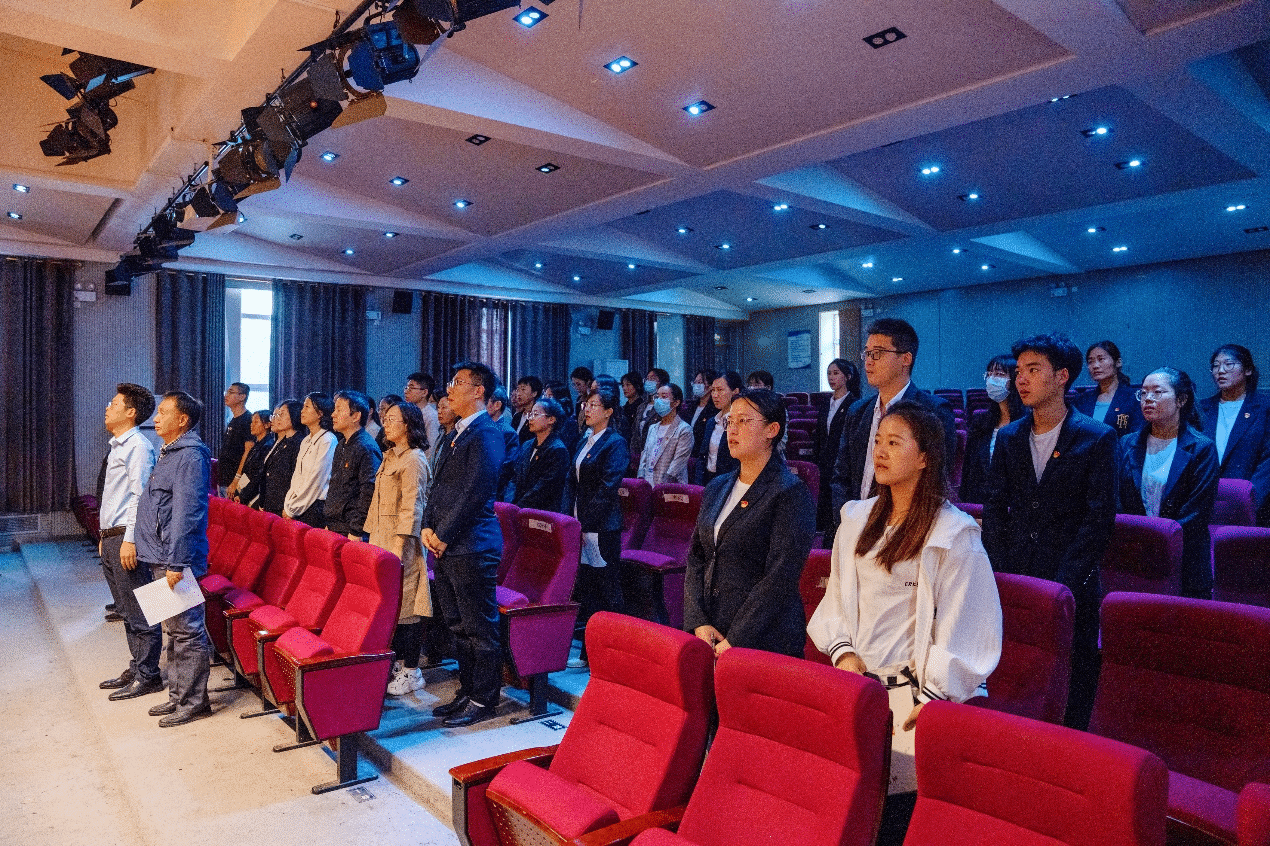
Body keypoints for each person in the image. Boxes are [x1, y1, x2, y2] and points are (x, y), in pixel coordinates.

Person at [809, 402, 1001, 736]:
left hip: (914, 696)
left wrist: (933, 696)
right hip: (855, 683)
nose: (880, 451)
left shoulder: (953, 533)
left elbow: (966, 622)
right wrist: (843, 653)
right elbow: (836, 597)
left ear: (924, 458)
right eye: (878, 441)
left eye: (894, 443)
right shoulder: (856, 519)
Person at [982, 332, 1116, 730]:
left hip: (1071, 580)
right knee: (1021, 677)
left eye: (1033, 370)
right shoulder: (1010, 436)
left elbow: (1099, 520)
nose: (1020, 379)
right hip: (1016, 574)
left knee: (1070, 680)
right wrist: (1002, 569)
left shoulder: (1096, 437)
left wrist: (1064, 581)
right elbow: (995, 506)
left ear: (1062, 376)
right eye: (1019, 371)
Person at [684, 388, 816, 658]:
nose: (732, 429)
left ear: (772, 430)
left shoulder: (790, 492)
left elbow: (779, 577)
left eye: (743, 421)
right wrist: (699, 621)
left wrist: (736, 639)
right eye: (729, 421)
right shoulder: (717, 486)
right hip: (712, 631)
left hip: (764, 639)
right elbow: (698, 557)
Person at [421, 362, 506, 727]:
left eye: (457, 383)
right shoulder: (456, 433)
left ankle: (484, 698)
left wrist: (442, 534)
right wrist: (428, 526)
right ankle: (467, 689)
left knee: (479, 627)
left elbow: (475, 493)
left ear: (478, 391)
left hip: (472, 545)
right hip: (448, 544)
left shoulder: (486, 433)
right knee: (457, 625)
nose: (449, 389)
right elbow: (438, 488)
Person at [830, 318, 957, 540]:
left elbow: (935, 480)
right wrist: (848, 522)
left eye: (877, 353)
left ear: (905, 359)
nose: (869, 361)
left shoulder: (932, 411)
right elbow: (841, 477)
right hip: (854, 528)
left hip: (906, 532)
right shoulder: (857, 411)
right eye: (867, 353)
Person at [134, 390, 214, 727]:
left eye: (163, 412)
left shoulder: (190, 456)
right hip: (161, 554)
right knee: (174, 631)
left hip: (174, 558)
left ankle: (194, 702)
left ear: (182, 420)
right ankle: (179, 696)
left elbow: (187, 514)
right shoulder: (171, 452)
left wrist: (177, 563)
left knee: (187, 633)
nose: (156, 418)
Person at [1116, 368, 1219, 599]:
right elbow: (1118, 499)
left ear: (1181, 400)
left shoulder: (1201, 448)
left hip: (1183, 558)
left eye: (1157, 392)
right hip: (1134, 555)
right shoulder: (1127, 443)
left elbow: (1196, 513)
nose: (1148, 399)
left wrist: (1158, 541)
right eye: (1143, 393)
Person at [365, 400, 432, 696]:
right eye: (386, 418)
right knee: (392, 607)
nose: (386, 423)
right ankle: (398, 664)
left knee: (409, 609)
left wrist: (398, 547)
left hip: (401, 543)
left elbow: (412, 507)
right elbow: (376, 501)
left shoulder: (414, 459)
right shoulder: (389, 455)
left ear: (408, 425)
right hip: (381, 539)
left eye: (393, 419)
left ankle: (412, 671)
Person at [98, 383, 160, 700]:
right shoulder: (120, 445)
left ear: (131, 412)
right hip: (113, 536)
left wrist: (130, 539)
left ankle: (149, 674)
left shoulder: (138, 446)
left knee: (140, 610)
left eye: (114, 403)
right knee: (125, 609)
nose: (108, 408)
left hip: (126, 537)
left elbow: (141, 497)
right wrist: (104, 535)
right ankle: (137, 666)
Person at [563, 386, 629, 666]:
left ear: (609, 411)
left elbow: (607, 488)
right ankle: (588, 653)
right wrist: (570, 521)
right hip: (581, 524)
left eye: (593, 405)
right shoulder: (585, 440)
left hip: (601, 527)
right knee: (588, 589)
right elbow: (571, 482)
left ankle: (615, 653)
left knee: (607, 589)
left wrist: (584, 523)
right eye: (585, 405)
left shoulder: (615, 443)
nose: (587, 410)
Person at [1199, 344, 1270, 526]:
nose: (1220, 371)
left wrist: (1250, 500)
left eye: (1228, 364)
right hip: (1206, 504)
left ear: (1248, 370)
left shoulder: (1264, 408)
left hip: (1251, 504)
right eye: (1216, 366)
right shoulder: (1201, 409)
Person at [959, 355, 1024, 505]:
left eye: (999, 374)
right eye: (989, 374)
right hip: (981, 504)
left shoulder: (1028, 423)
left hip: (1015, 505)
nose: (991, 379)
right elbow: (968, 473)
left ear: (1015, 379)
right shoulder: (981, 423)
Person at [325, 390, 383, 540]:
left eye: (339, 410)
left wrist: (356, 529)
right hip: (335, 525)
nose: (333, 414)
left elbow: (368, 491)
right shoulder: (342, 444)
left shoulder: (366, 447)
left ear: (356, 416)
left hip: (351, 530)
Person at [814, 358, 860, 532]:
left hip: (842, 465)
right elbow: (819, 436)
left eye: (835, 373)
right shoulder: (826, 403)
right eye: (829, 374)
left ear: (847, 377)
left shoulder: (854, 404)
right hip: (825, 464)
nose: (831, 377)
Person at [283, 392, 337, 527]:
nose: (302, 411)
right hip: (296, 505)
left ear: (320, 413)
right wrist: (289, 504)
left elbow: (316, 481)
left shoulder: (327, 440)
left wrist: (294, 508)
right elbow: (297, 476)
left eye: (307, 407)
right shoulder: (306, 440)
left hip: (314, 507)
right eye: (303, 407)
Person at [507, 397, 570, 512]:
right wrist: (509, 503)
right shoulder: (527, 445)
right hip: (518, 508)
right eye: (530, 414)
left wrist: (518, 506)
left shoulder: (558, 450)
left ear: (551, 419)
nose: (530, 418)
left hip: (541, 512)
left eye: (535, 414)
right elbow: (515, 477)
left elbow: (544, 488)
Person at [240, 400, 302, 516]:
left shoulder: (297, 442)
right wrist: (241, 491)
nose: (275, 419)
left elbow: (292, 479)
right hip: (268, 502)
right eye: (275, 416)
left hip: (282, 506)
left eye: (280, 415)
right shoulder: (277, 443)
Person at [1073, 340, 1143, 437]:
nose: (1095, 366)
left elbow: (1137, 435)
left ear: (1118, 362)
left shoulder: (1134, 397)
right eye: (1090, 362)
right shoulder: (1082, 400)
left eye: (1101, 359)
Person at [637, 383, 694, 485]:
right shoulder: (652, 428)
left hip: (669, 486)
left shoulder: (684, 429)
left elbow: (678, 463)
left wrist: (661, 486)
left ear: (676, 402)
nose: (658, 401)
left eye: (663, 397)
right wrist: (641, 481)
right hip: (647, 483)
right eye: (657, 397)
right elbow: (644, 456)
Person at [697, 371, 742, 484]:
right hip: (708, 480)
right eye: (713, 390)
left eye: (720, 390)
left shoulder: (741, 423)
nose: (715, 395)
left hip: (729, 482)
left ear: (735, 391)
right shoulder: (711, 421)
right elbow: (702, 458)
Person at [218, 382, 254, 496]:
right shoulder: (233, 420)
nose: (226, 395)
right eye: (226, 392)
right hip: (224, 479)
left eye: (231, 392)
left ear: (242, 397)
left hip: (235, 482)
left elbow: (248, 452)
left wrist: (236, 481)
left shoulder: (248, 420)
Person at [231, 411, 273, 507]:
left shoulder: (267, 446)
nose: (252, 425)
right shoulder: (256, 444)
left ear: (267, 425)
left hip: (255, 495)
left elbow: (257, 476)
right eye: (252, 422)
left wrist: (243, 495)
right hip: (245, 490)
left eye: (256, 422)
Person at [404, 373, 441, 462]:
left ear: (424, 392)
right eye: (406, 387)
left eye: (411, 388)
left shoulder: (431, 416)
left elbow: (430, 450)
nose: (406, 391)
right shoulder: (407, 413)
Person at [683, 368, 719, 452]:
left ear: (710, 386)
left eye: (699, 382)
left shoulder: (715, 409)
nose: (696, 385)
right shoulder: (690, 407)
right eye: (695, 382)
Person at [509, 375, 543, 444]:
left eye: (523, 390)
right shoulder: (517, 416)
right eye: (518, 390)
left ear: (534, 393)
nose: (518, 394)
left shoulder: (537, 418)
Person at [620, 371, 649, 450]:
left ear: (637, 386)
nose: (624, 388)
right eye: (623, 385)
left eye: (628, 385)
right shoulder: (623, 408)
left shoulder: (642, 407)